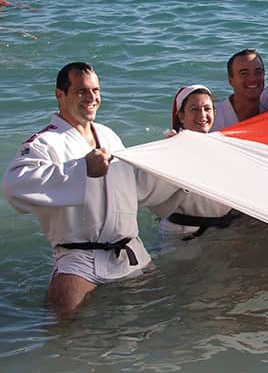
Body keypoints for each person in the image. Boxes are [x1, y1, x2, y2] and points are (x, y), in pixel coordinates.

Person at [2, 63, 181, 317]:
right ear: (59, 95)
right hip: (79, 259)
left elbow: (135, 190)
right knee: (63, 334)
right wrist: (80, 168)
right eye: (81, 91)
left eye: (96, 90)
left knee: (162, 318)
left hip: (129, 252)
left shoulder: (108, 135)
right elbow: (14, 186)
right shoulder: (44, 142)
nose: (92, 98)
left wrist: (171, 158)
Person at [152, 85, 239, 238]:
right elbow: (154, 199)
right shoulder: (170, 148)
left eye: (207, 109)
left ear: (215, 112)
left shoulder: (223, 145)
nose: (202, 115)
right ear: (181, 116)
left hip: (221, 231)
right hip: (182, 236)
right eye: (194, 109)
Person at [212, 48, 265, 130]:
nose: (253, 79)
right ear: (230, 81)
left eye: (258, 71)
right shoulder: (213, 119)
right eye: (244, 73)